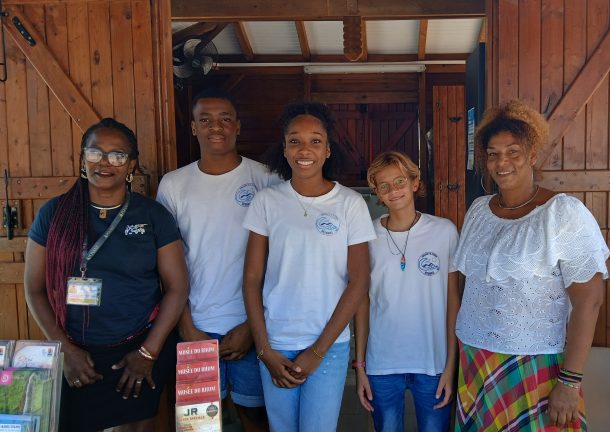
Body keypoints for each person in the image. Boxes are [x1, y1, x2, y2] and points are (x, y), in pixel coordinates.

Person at [23, 118, 189, 431]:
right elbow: (34, 288)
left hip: (138, 351)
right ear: (82, 159)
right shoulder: (53, 214)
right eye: (95, 152)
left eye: (117, 155)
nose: (105, 162)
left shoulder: (152, 215)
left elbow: (177, 288)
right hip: (76, 353)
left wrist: (148, 352)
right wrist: (65, 350)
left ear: (131, 165)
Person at [452, 100, 609, 431]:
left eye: (513, 152)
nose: (502, 162)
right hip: (476, 358)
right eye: (493, 154)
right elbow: (470, 285)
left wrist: (570, 381)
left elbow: (589, 300)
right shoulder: (478, 211)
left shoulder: (562, 214)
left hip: (534, 362)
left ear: (532, 155)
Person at [242, 102, 376, 432]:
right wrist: (263, 349)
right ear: (284, 149)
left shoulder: (350, 204)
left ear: (328, 150)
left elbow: (359, 281)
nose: (305, 150)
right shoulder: (266, 201)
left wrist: (317, 352)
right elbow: (252, 279)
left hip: (328, 345)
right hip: (276, 343)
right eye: (295, 141)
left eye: (315, 141)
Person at [156, 88, 279, 431]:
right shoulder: (173, 185)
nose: (216, 127)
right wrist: (184, 324)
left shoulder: (266, 179)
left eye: (225, 119)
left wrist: (253, 327)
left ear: (237, 126)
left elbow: (281, 259)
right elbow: (166, 263)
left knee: (255, 417)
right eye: (205, 119)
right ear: (194, 128)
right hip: (195, 323)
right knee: (198, 423)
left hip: (252, 323)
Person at [354, 151, 461, 432]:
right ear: (377, 193)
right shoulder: (367, 237)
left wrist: (451, 365)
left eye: (400, 181)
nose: (394, 190)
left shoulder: (444, 232)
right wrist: (361, 366)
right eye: (384, 185)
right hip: (382, 364)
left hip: (433, 363)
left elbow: (453, 301)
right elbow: (362, 303)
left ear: (414, 182)